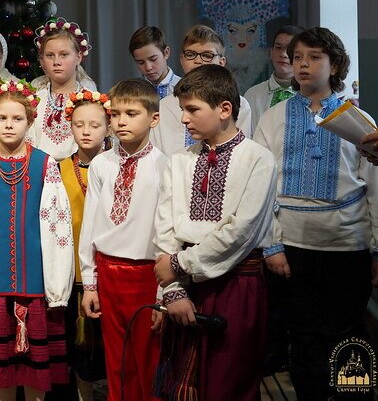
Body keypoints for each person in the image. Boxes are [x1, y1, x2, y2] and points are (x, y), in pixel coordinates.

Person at [254, 27, 378, 400]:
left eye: (314, 57)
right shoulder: (273, 118)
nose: (303, 64)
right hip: (292, 248)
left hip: (347, 247)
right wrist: (272, 245)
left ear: (335, 65)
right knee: (303, 336)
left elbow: (377, 189)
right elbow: (262, 188)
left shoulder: (359, 120)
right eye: (298, 57)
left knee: (348, 335)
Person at [153, 65, 277, 400]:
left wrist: (179, 265)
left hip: (237, 283)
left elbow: (242, 231)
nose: (184, 119)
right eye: (182, 110)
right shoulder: (179, 160)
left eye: (192, 110)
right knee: (183, 384)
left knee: (229, 382)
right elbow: (165, 228)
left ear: (224, 109)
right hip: (185, 283)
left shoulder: (258, 159)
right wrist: (173, 291)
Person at [0, 80, 75, 401]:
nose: (9, 125)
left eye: (17, 118)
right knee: (2, 372)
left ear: (29, 121)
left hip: (36, 283)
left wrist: (57, 287)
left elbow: (58, 227)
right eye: (2, 118)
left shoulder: (44, 164)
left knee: (35, 371)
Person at [78, 79, 165, 401]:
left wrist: (164, 291)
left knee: (149, 359)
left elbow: (167, 232)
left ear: (154, 119)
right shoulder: (102, 163)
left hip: (146, 274)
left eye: (131, 114)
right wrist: (90, 282)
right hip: (108, 272)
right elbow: (90, 223)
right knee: (117, 359)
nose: (121, 122)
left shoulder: (164, 166)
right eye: (115, 114)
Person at [59, 90, 111, 400]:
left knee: (108, 344)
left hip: (109, 269)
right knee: (78, 346)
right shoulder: (59, 169)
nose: (86, 131)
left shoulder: (116, 166)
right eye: (79, 125)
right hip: (72, 272)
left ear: (108, 126)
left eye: (94, 124)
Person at [152, 25, 253, 157]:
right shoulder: (163, 107)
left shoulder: (240, 104)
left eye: (207, 55)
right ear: (181, 59)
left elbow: (241, 152)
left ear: (221, 62)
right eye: (190, 54)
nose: (198, 60)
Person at [30, 18, 98, 162]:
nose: (56, 62)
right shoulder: (34, 101)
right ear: (42, 61)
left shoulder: (91, 101)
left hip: (79, 170)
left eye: (64, 55)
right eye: (50, 56)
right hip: (40, 169)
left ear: (78, 57)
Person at [243, 25, 303, 128]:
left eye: (290, 49)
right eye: (278, 48)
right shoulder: (253, 95)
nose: (283, 54)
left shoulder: (312, 96)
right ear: (271, 52)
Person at [128, 25, 180, 99]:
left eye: (153, 59)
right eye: (141, 62)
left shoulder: (183, 89)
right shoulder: (133, 92)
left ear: (166, 53)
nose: (148, 67)